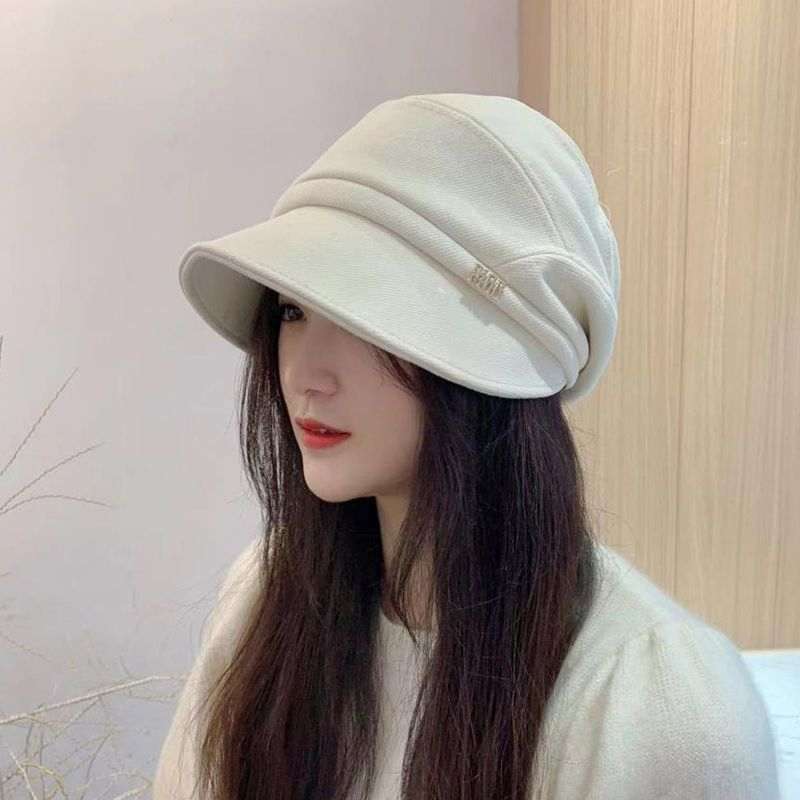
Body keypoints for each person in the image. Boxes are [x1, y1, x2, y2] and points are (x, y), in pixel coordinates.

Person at [154, 93, 780, 799]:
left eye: (364, 317)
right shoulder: (269, 598)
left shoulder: (661, 711)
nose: (302, 374)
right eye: (293, 310)